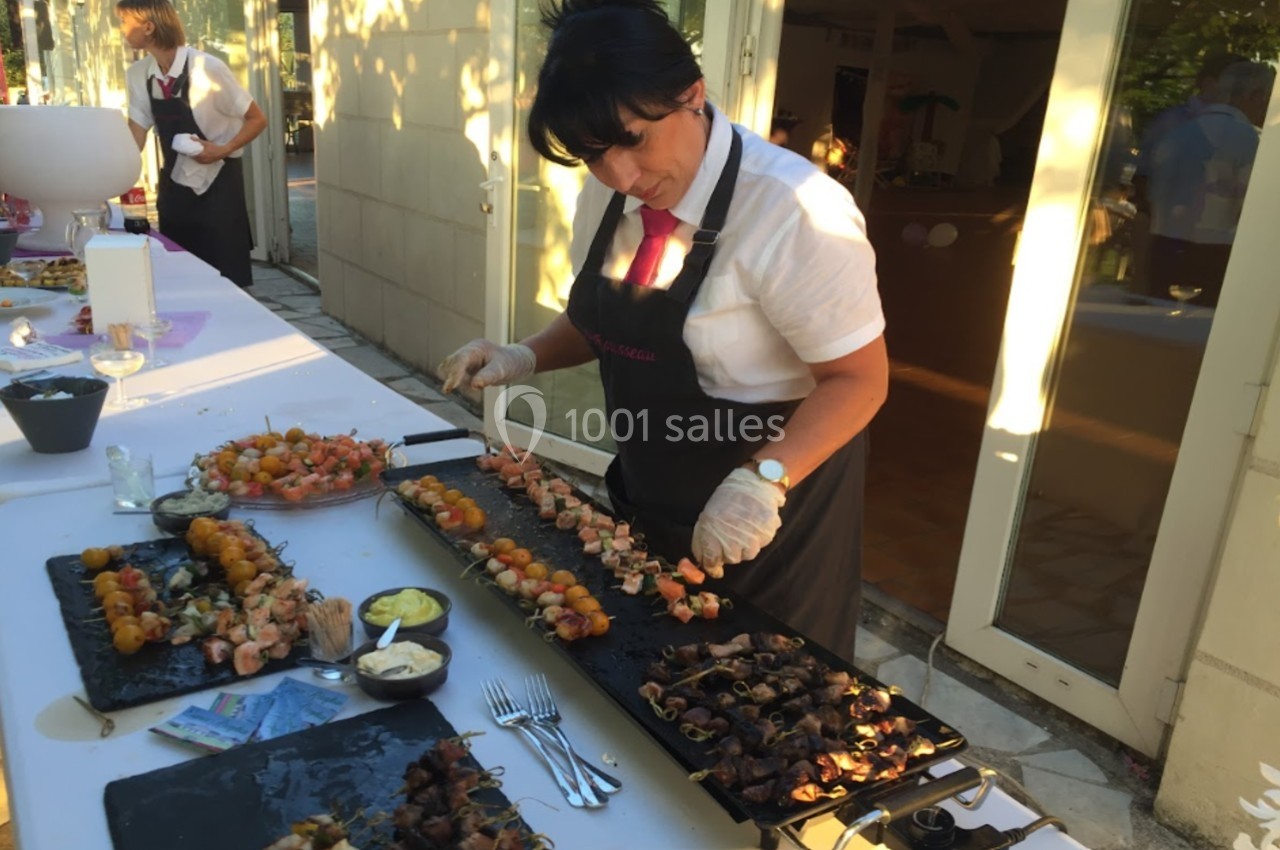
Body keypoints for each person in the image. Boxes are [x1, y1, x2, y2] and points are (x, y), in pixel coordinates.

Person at [438, 0, 887, 659]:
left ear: (692, 95)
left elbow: (859, 379)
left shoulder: (794, 210)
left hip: (772, 519)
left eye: (633, 139)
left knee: (769, 708)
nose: (620, 174)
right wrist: (521, 355)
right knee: (656, 681)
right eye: (593, 154)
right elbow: (609, 322)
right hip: (652, 497)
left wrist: (762, 482)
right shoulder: (619, 189)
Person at [116, 0, 266, 288]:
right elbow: (135, 135)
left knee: (224, 280)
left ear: (148, 26)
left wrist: (221, 149)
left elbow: (257, 119)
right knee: (182, 276)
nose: (121, 29)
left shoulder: (207, 68)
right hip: (174, 189)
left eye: (124, 21)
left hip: (219, 187)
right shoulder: (138, 75)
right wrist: (110, 180)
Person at [1145, 60, 1275, 307]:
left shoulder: (1176, 134)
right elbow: (1253, 210)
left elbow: (1153, 193)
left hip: (1162, 249)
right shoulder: (1251, 141)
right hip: (1215, 255)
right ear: (1257, 96)